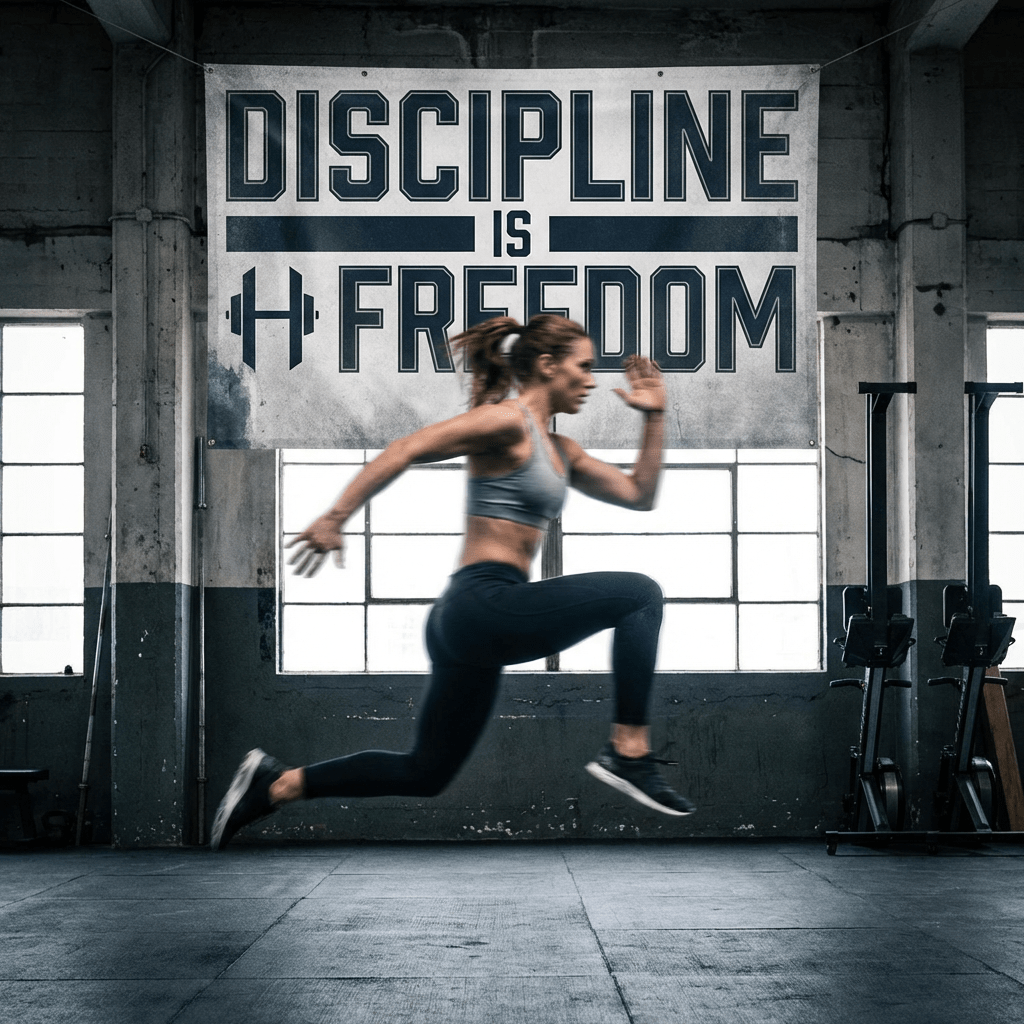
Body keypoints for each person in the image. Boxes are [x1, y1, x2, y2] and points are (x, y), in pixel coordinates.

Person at [211, 313, 695, 850]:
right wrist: (333, 517)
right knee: (639, 595)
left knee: (427, 773)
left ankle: (277, 782)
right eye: (583, 366)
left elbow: (639, 494)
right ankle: (628, 751)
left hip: (471, 624)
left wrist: (655, 417)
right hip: (481, 604)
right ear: (547, 364)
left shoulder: (564, 452)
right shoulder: (506, 422)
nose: (591, 379)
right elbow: (405, 448)